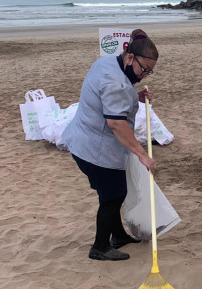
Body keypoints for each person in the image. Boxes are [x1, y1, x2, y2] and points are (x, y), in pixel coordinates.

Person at [61, 29, 159, 261]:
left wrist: (136, 97)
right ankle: (100, 247)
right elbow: (116, 123)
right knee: (114, 196)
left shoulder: (106, 62)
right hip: (95, 149)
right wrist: (142, 155)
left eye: (150, 71)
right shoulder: (117, 84)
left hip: (80, 139)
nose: (145, 75)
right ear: (129, 57)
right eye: (143, 69)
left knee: (111, 193)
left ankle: (118, 236)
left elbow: (108, 93)